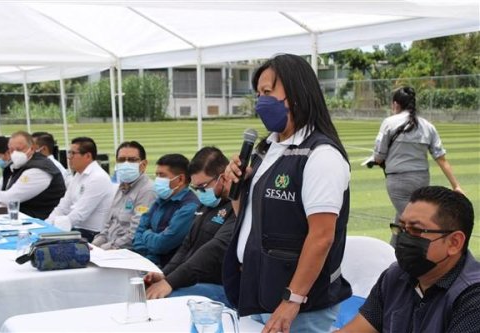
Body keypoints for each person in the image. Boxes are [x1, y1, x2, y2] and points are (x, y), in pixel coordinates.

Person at [222, 54, 352, 333]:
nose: (261, 101)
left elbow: (321, 237)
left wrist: (292, 300)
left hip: (298, 307)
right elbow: (252, 220)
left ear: (295, 93)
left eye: (268, 92)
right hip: (259, 292)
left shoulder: (321, 155)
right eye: (258, 94)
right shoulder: (266, 149)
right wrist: (237, 190)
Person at [337, 186, 479, 333]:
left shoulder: (473, 297)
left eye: (416, 230)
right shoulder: (395, 277)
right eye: (402, 228)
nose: (404, 238)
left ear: (454, 243)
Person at [369, 86, 464, 245]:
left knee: (409, 222)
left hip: (397, 181)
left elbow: (378, 156)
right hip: (421, 180)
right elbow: (441, 159)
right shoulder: (428, 126)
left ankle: (423, 255)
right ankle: (393, 254)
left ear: (396, 104)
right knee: (403, 217)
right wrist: (456, 186)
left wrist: (375, 161)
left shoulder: (389, 123)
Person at [144, 146, 235, 306]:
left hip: (222, 288)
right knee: (146, 291)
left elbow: (213, 251)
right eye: (195, 187)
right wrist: (164, 275)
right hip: (193, 281)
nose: (199, 192)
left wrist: (170, 282)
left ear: (223, 177)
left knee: (161, 300)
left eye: (203, 186)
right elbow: (186, 247)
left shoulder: (236, 208)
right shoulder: (205, 205)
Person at [132, 153, 199, 267]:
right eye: (157, 175)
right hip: (149, 263)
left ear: (180, 179)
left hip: (169, 270)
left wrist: (146, 234)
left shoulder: (189, 207)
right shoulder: (161, 200)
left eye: (162, 175)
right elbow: (138, 233)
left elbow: (162, 244)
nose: (157, 179)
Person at [0, 131, 66, 220]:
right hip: (22, 218)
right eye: (11, 150)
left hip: (42, 221)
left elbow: (12, 197)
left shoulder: (39, 169)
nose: (14, 153)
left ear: (32, 148)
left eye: (19, 149)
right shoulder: (15, 166)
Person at [47, 137, 114, 242]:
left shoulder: (98, 178)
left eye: (73, 153)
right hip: (77, 230)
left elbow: (80, 214)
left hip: (93, 234)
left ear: (88, 156)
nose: (69, 157)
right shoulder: (78, 175)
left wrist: (51, 228)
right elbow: (63, 206)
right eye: (69, 153)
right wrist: (46, 224)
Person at [92, 141, 157, 250]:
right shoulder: (122, 187)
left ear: (144, 164)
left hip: (127, 252)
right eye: (121, 160)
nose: (126, 164)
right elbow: (108, 225)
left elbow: (135, 234)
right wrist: (93, 246)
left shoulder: (147, 191)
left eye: (132, 160)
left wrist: (104, 249)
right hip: (109, 248)